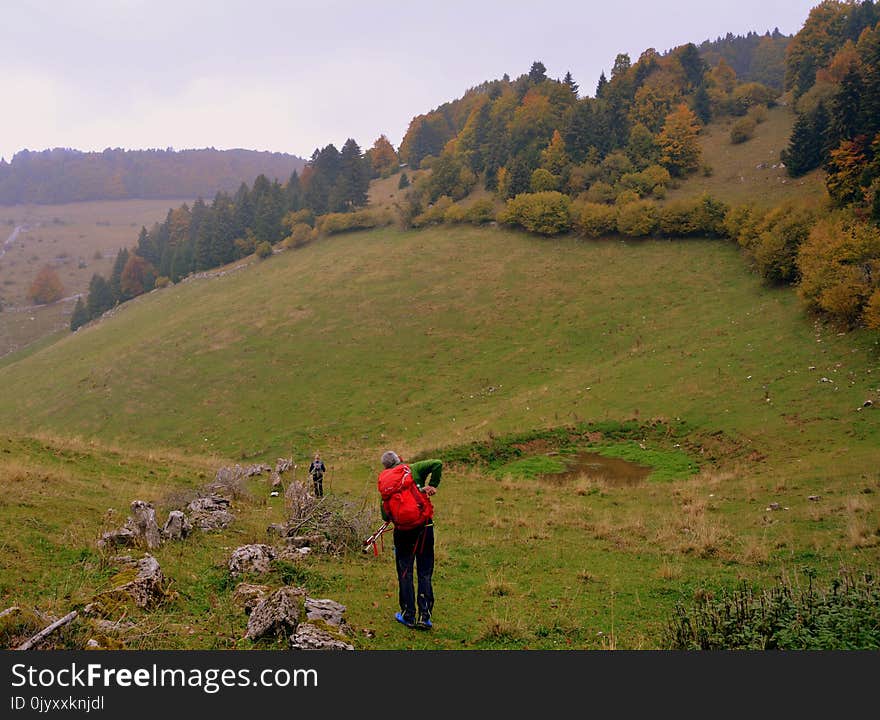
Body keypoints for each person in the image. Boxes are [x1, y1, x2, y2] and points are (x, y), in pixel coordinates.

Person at [377, 450, 442, 630]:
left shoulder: (384, 483)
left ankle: (408, 615)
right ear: (400, 459)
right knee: (424, 570)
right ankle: (425, 616)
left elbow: (385, 515)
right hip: (425, 527)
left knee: (405, 571)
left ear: (385, 467)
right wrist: (433, 485)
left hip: (403, 532)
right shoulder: (413, 469)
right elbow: (437, 462)